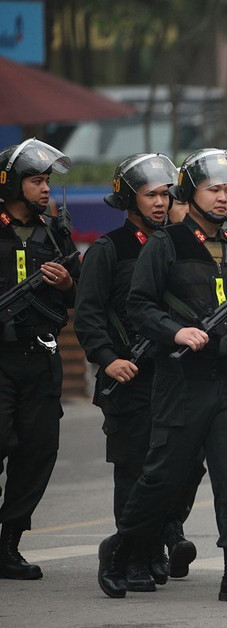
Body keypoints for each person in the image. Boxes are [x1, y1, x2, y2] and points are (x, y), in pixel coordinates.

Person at [96, 148, 227, 603]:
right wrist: (175, 332)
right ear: (191, 193)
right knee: (164, 478)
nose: (223, 198)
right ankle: (121, 549)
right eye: (213, 189)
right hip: (182, 382)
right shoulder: (166, 243)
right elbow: (139, 306)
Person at [75, 153, 204, 592]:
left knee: (182, 467)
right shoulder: (109, 249)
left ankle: (160, 540)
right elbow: (88, 314)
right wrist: (106, 358)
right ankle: (132, 554)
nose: (161, 203)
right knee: (134, 470)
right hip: (127, 377)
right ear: (130, 199)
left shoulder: (175, 245)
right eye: (151, 195)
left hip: (173, 375)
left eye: (166, 194)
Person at [0, 138, 78, 581]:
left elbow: (81, 294)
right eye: (35, 180)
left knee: (38, 450)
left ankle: (9, 544)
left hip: (40, 357)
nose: (45, 188)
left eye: (47, 180)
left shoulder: (55, 233)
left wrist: (66, 283)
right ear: (12, 184)